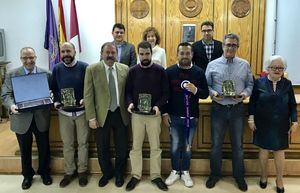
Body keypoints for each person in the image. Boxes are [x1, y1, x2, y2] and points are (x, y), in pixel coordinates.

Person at [205, 33, 254, 192]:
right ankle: (214, 175)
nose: (230, 47)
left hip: (237, 110)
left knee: (238, 146)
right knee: (216, 145)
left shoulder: (244, 64)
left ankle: (239, 177)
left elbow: (250, 84)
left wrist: (244, 94)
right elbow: (206, 85)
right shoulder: (212, 64)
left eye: (234, 45)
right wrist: (213, 94)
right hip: (218, 109)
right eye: (228, 44)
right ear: (223, 46)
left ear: (237, 47)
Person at [1, 47, 52, 189]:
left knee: (44, 147)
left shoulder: (47, 74)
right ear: (21, 58)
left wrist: (51, 97)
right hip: (21, 118)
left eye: (31, 57)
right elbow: (6, 95)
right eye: (25, 58)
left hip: (41, 117)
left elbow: (53, 91)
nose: (28, 61)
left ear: (35, 57)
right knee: (24, 149)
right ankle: (27, 176)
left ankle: (44, 172)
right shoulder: (12, 74)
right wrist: (11, 106)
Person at [248, 55, 298, 193]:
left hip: (281, 123)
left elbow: (292, 105)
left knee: (279, 152)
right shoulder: (259, 83)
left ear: (283, 69)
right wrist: (251, 119)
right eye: (274, 67)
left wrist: (294, 121)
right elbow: (252, 102)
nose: (277, 70)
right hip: (262, 122)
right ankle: (263, 175)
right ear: (267, 68)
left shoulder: (287, 84)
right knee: (263, 150)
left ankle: (279, 179)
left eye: (280, 68)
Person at [163, 42, 209, 187]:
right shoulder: (169, 71)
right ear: (177, 54)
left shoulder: (199, 72)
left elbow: (205, 93)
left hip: (192, 116)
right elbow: (164, 94)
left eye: (187, 53)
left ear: (192, 55)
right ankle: (175, 170)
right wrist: (164, 113)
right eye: (182, 53)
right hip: (174, 116)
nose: (184, 56)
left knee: (188, 146)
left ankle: (185, 171)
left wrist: (196, 90)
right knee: (175, 146)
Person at [125, 41, 169, 191]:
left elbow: (166, 93)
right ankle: (135, 175)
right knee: (136, 147)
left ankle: (156, 175)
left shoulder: (160, 71)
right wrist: (130, 103)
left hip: (154, 115)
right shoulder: (132, 71)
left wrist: (158, 106)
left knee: (155, 147)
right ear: (139, 54)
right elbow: (128, 92)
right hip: (137, 115)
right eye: (142, 54)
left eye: (147, 54)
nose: (144, 56)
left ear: (151, 53)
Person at [84, 42, 129, 188]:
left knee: (121, 147)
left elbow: (128, 92)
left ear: (117, 54)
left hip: (120, 114)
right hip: (101, 115)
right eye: (107, 53)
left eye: (113, 53)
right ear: (102, 54)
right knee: (102, 147)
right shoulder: (92, 69)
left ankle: (119, 174)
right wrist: (91, 117)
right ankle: (107, 173)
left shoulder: (125, 69)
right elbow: (88, 95)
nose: (110, 55)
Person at [51, 42, 90, 187]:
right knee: (67, 144)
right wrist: (56, 102)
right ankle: (69, 171)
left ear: (74, 51)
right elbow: (54, 88)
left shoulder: (85, 67)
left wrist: (86, 99)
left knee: (83, 143)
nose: (66, 54)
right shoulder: (57, 69)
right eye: (63, 52)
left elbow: (89, 87)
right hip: (64, 113)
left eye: (68, 51)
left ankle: (82, 171)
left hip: (81, 112)